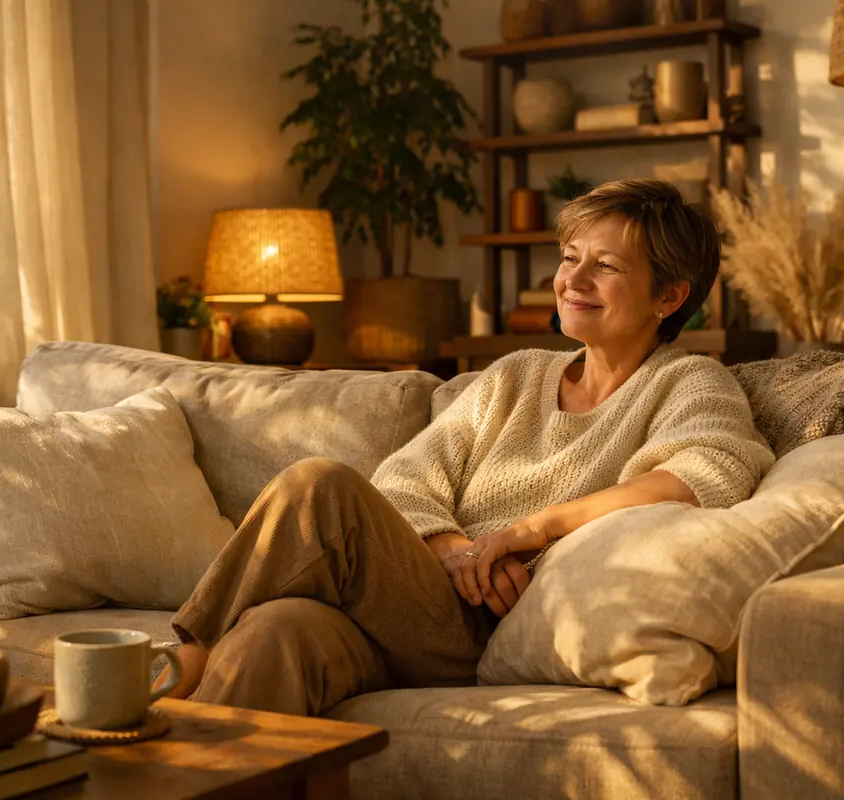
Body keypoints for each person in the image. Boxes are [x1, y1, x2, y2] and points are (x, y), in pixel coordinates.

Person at [157, 179, 775, 714]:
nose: (572, 280)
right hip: (415, 605)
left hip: (488, 631)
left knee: (318, 485)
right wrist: (455, 550)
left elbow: (707, 473)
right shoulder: (516, 376)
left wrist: (528, 532)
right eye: (568, 258)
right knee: (272, 633)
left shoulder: (687, 381)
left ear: (670, 297)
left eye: (606, 267)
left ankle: (175, 663)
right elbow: (403, 480)